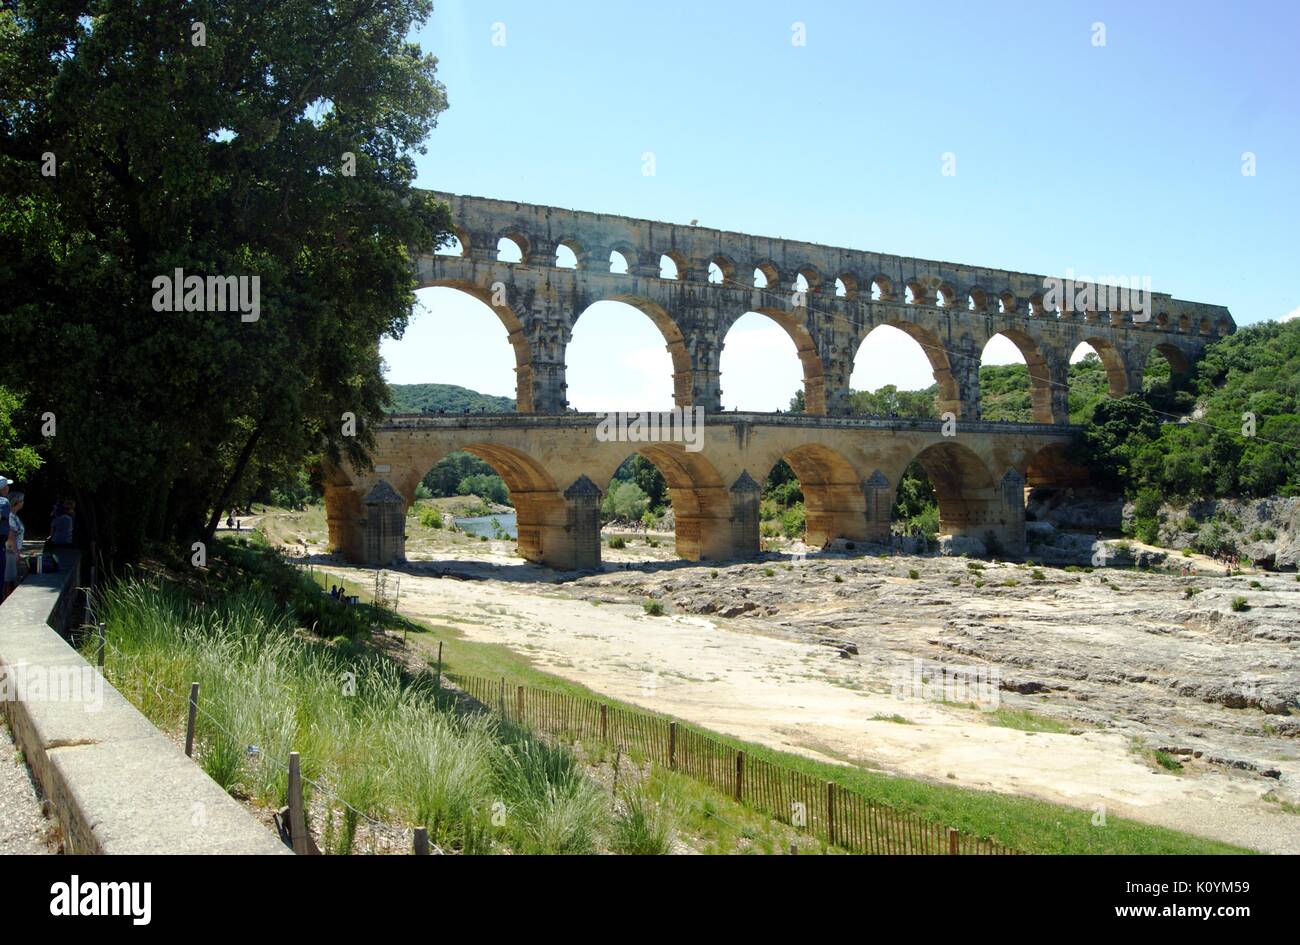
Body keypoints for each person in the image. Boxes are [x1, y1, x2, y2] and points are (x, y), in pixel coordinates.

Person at [5, 491, 26, 599]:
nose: (23, 503)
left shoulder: (13, 516)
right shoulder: (10, 517)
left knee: (11, 580)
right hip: (10, 553)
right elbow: (10, 536)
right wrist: (16, 552)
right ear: (17, 502)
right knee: (8, 580)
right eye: (22, 500)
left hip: (12, 552)